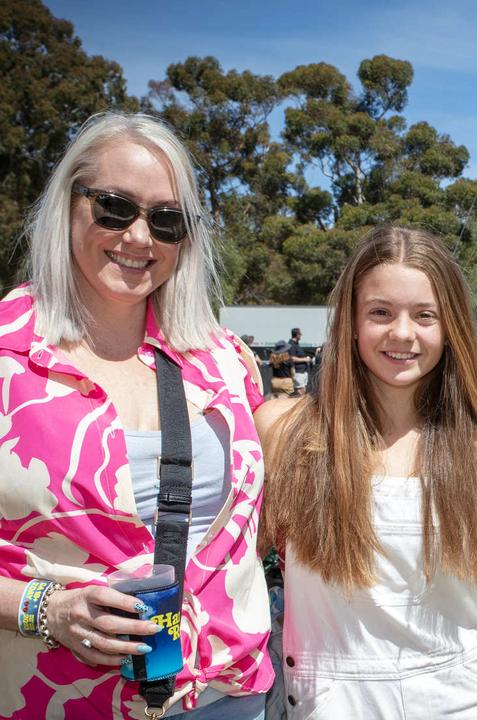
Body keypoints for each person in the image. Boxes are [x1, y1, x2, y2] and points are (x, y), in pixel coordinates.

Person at [0, 111, 273, 717]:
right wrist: (44, 607)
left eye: (167, 221)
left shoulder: (225, 362)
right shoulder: (5, 357)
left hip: (226, 698)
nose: (139, 238)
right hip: (52, 698)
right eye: (114, 208)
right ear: (68, 205)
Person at [256, 226, 477, 719]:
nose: (402, 333)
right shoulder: (284, 432)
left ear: (450, 326)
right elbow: (228, 568)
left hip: (461, 700)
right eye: (380, 312)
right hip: (329, 704)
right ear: (350, 321)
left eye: (424, 315)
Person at [287, 328, 309, 393]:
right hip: (298, 372)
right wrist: (305, 359)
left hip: (302, 371)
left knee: (303, 390)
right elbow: (292, 358)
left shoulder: (296, 344)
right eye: (300, 334)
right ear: (297, 335)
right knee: (300, 391)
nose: (301, 335)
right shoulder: (291, 344)